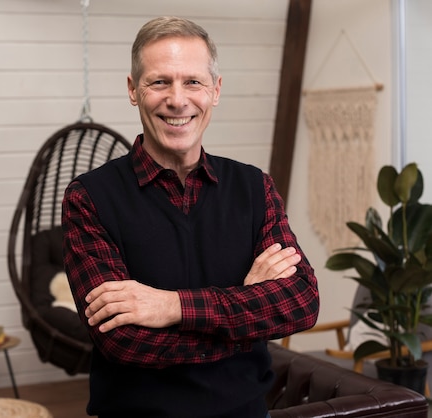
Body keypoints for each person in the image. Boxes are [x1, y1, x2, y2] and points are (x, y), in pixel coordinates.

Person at [62, 16, 319, 418]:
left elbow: (301, 301)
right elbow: (124, 341)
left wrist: (172, 307)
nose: (178, 100)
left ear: (216, 91)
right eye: (159, 82)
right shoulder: (89, 198)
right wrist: (247, 318)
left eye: (193, 82)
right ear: (133, 90)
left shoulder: (254, 187)